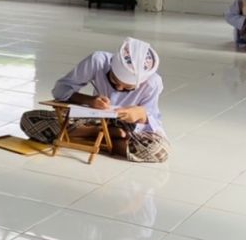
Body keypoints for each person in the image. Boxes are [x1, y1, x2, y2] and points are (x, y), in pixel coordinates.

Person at [19, 37, 169, 163]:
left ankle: (79, 137)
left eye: (127, 88)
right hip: (95, 120)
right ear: (111, 66)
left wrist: (140, 115)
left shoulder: (152, 83)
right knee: (29, 120)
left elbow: (154, 123)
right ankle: (101, 135)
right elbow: (60, 90)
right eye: (114, 82)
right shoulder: (98, 61)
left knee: (158, 150)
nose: (119, 89)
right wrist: (90, 100)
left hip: (129, 129)